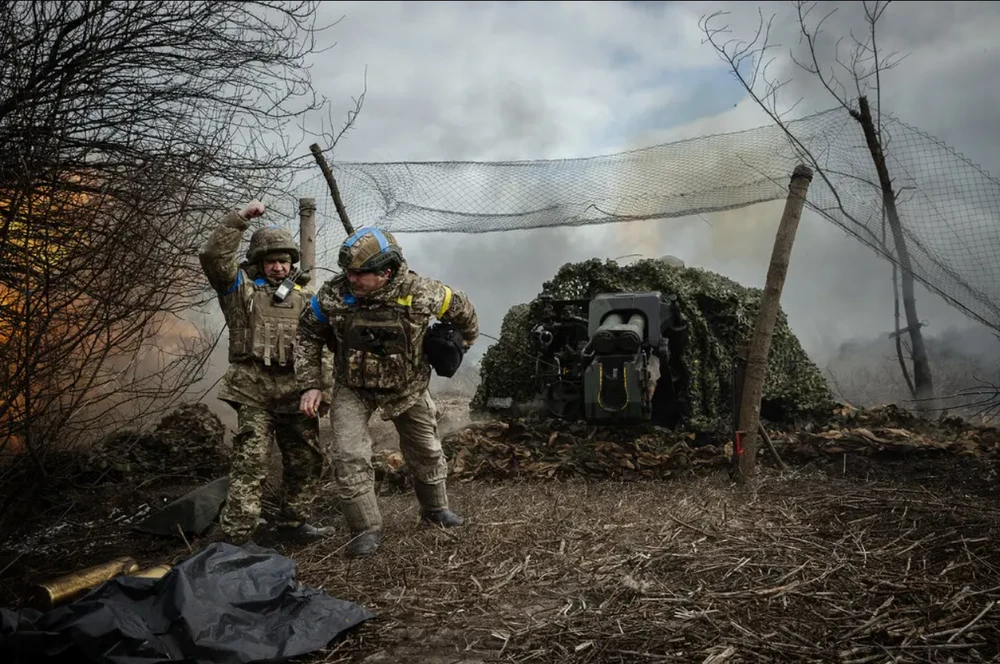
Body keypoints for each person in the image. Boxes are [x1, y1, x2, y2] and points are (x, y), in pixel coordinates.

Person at [294, 226, 479, 558]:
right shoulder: (333, 295)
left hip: (407, 388)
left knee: (425, 448)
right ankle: (364, 529)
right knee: (349, 454)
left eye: (359, 273)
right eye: (348, 272)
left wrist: (461, 343)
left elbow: (464, 311)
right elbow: (307, 331)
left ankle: (435, 509)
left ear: (386, 272)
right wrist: (311, 383)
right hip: (353, 387)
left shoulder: (423, 292)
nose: (350, 279)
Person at [198, 199, 334, 545]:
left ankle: (294, 524)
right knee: (251, 461)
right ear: (259, 263)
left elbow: (323, 346)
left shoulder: (309, 299)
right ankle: (238, 536)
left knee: (305, 460)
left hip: (296, 391)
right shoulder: (240, 291)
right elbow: (213, 257)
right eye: (271, 261)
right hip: (253, 389)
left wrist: (320, 388)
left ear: (292, 263)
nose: (278, 267)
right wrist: (239, 218)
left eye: (284, 261)